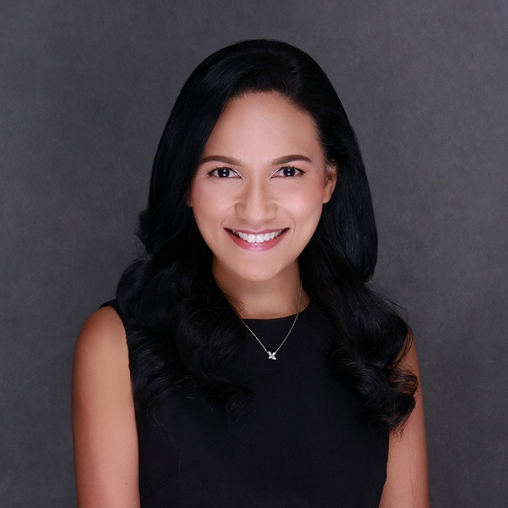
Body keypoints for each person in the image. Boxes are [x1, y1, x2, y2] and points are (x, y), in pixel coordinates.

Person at [72, 39, 429, 507]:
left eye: (288, 171)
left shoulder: (383, 347)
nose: (255, 209)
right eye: (224, 172)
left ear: (329, 179)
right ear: (186, 185)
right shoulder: (116, 345)